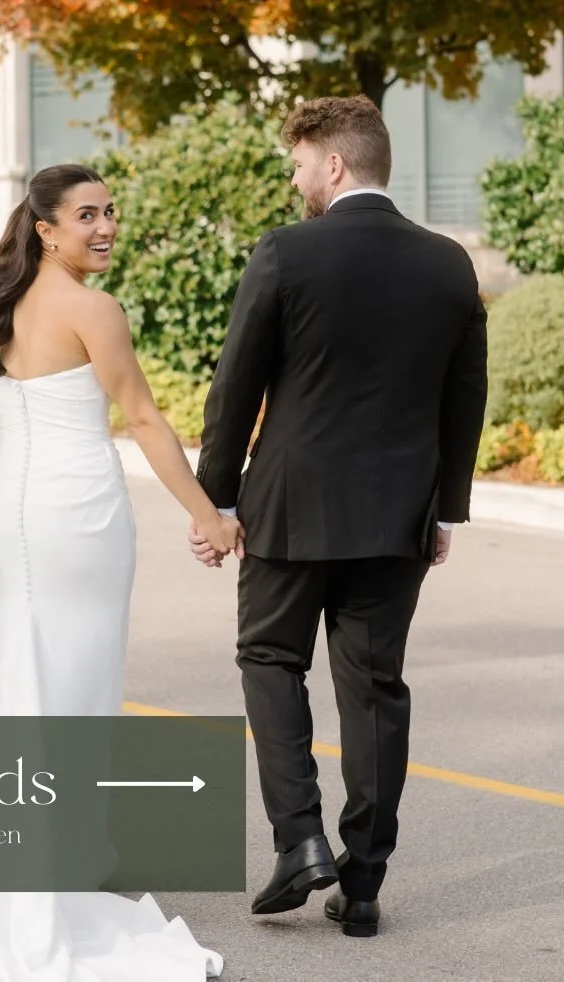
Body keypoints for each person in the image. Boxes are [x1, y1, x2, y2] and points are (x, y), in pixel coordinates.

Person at [0, 163, 234, 982]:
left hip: (6, 513)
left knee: (17, 686)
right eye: (86, 215)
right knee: (71, 697)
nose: (106, 227)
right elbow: (143, 418)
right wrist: (207, 514)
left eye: (111, 212)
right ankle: (43, 878)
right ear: (47, 228)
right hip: (75, 518)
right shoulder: (95, 310)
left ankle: (21, 865)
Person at [189, 95, 488, 938]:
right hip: (398, 514)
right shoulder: (449, 263)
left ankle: (299, 842)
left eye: (298, 166)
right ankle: (361, 882)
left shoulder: (287, 251)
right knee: (375, 687)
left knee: (269, 658)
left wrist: (215, 501)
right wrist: (446, 511)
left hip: (290, 506)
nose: (295, 182)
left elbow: (235, 385)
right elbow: (465, 396)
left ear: (334, 163)